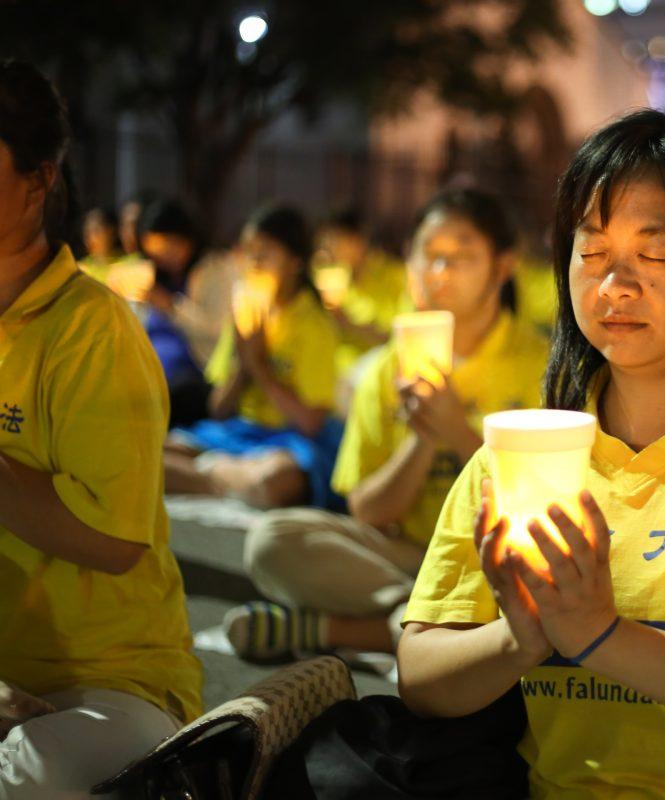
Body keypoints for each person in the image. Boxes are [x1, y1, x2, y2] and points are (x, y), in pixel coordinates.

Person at [265, 110, 665, 800]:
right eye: (593, 253)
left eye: (656, 256)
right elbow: (420, 673)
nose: (614, 288)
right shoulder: (529, 451)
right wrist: (519, 641)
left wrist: (604, 637)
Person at [226, 187, 548, 661]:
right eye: (430, 256)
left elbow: (544, 501)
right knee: (273, 540)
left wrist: (459, 434)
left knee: (542, 584)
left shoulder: (540, 362)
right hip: (411, 558)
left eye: (460, 257)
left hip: (498, 560)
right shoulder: (386, 368)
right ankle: (420, 623)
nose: (440, 273)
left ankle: (346, 630)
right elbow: (369, 511)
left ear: (501, 267)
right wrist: (422, 438)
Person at [0, 60, 202, 798]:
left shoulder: (91, 329)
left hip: (114, 684)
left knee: (28, 774)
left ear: (38, 178)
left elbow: (114, 542)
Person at [163, 205, 343, 510]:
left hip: (284, 442)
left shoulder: (313, 325)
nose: (254, 264)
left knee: (274, 482)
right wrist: (242, 364)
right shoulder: (244, 314)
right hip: (237, 434)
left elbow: (310, 422)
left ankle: (207, 476)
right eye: (249, 253)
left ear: (295, 262)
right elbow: (219, 409)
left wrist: (259, 367)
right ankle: (225, 479)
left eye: (266, 254)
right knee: (149, 452)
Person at [136, 198, 237, 426]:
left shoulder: (213, 270)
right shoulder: (153, 274)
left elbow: (216, 328)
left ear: (188, 238)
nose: (165, 257)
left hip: (196, 374)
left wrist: (171, 307)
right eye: (156, 251)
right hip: (148, 371)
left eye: (171, 247)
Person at [315, 206, 409, 376]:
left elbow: (396, 339)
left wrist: (347, 322)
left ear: (359, 239)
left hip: (377, 373)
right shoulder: (334, 278)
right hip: (338, 373)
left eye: (335, 241)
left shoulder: (395, 277)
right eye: (325, 243)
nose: (329, 250)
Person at [78, 206, 122, 284]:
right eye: (87, 232)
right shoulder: (80, 270)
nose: (91, 238)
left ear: (111, 231)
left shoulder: (126, 265)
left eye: (96, 231)